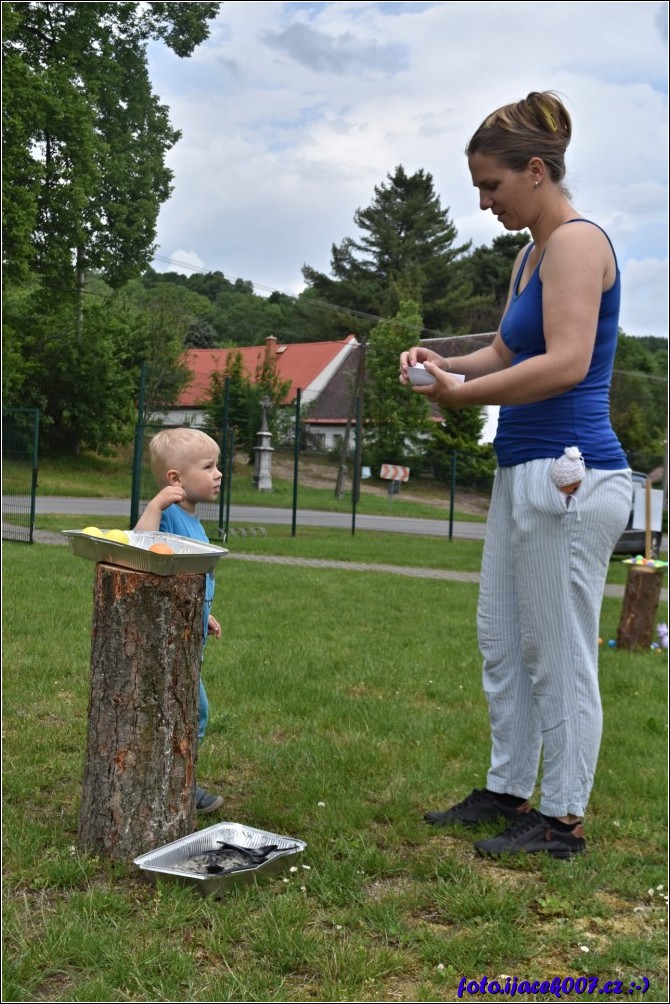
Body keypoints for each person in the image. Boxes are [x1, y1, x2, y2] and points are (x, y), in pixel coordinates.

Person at [400, 91, 632, 858]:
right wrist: (442, 366)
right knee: (501, 638)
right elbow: (505, 353)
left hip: (570, 474)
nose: (483, 200)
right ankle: (508, 789)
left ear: (536, 170)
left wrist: (465, 396)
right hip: (520, 467)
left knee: (558, 652)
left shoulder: (575, 242)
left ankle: (563, 820)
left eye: (492, 185)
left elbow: (563, 363)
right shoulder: (532, 253)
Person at [135, 427, 225, 814]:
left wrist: (205, 613)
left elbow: (189, 576)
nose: (219, 473)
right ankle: (178, 786)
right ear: (176, 479)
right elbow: (139, 545)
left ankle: (174, 781)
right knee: (194, 712)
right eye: (209, 466)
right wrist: (155, 507)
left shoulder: (193, 519)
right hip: (167, 638)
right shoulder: (169, 513)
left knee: (188, 711)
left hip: (187, 632)